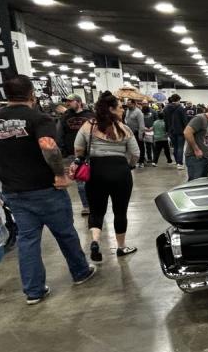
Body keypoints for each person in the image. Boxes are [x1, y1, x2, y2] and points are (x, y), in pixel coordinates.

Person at [0, 75, 96, 304]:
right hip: (46, 188)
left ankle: (34, 291)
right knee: (65, 232)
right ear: (31, 93)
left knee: (28, 240)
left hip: (14, 191)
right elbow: (48, 147)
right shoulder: (38, 118)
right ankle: (80, 272)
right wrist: (59, 175)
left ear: (6, 94)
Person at [72, 92, 140, 262]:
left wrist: (81, 159)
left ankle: (95, 241)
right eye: (119, 107)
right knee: (120, 211)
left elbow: (78, 148)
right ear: (111, 109)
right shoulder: (124, 128)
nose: (122, 110)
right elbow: (135, 153)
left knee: (96, 210)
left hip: (96, 171)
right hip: (120, 172)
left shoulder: (88, 126)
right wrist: (130, 165)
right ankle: (121, 247)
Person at [59, 95, 93, 216]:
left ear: (78, 102)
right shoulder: (65, 116)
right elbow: (60, 132)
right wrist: (63, 149)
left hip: (90, 153)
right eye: (67, 102)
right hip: (73, 153)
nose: (68, 104)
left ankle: (95, 203)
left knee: (94, 180)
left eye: (70, 101)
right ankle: (86, 206)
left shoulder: (90, 115)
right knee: (80, 181)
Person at [162, 94, 187, 170]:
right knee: (180, 147)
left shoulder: (166, 109)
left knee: (175, 147)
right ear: (178, 100)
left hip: (171, 131)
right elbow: (184, 120)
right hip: (180, 131)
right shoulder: (180, 108)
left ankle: (177, 162)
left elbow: (165, 121)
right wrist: (187, 129)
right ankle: (179, 163)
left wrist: (166, 130)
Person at [122, 93, 147, 166]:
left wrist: (140, 135)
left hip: (137, 132)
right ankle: (135, 161)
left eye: (129, 104)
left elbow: (141, 124)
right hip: (130, 132)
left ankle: (141, 161)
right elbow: (126, 119)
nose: (128, 105)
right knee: (131, 148)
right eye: (127, 104)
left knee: (140, 147)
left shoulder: (138, 112)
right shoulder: (127, 111)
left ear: (134, 104)